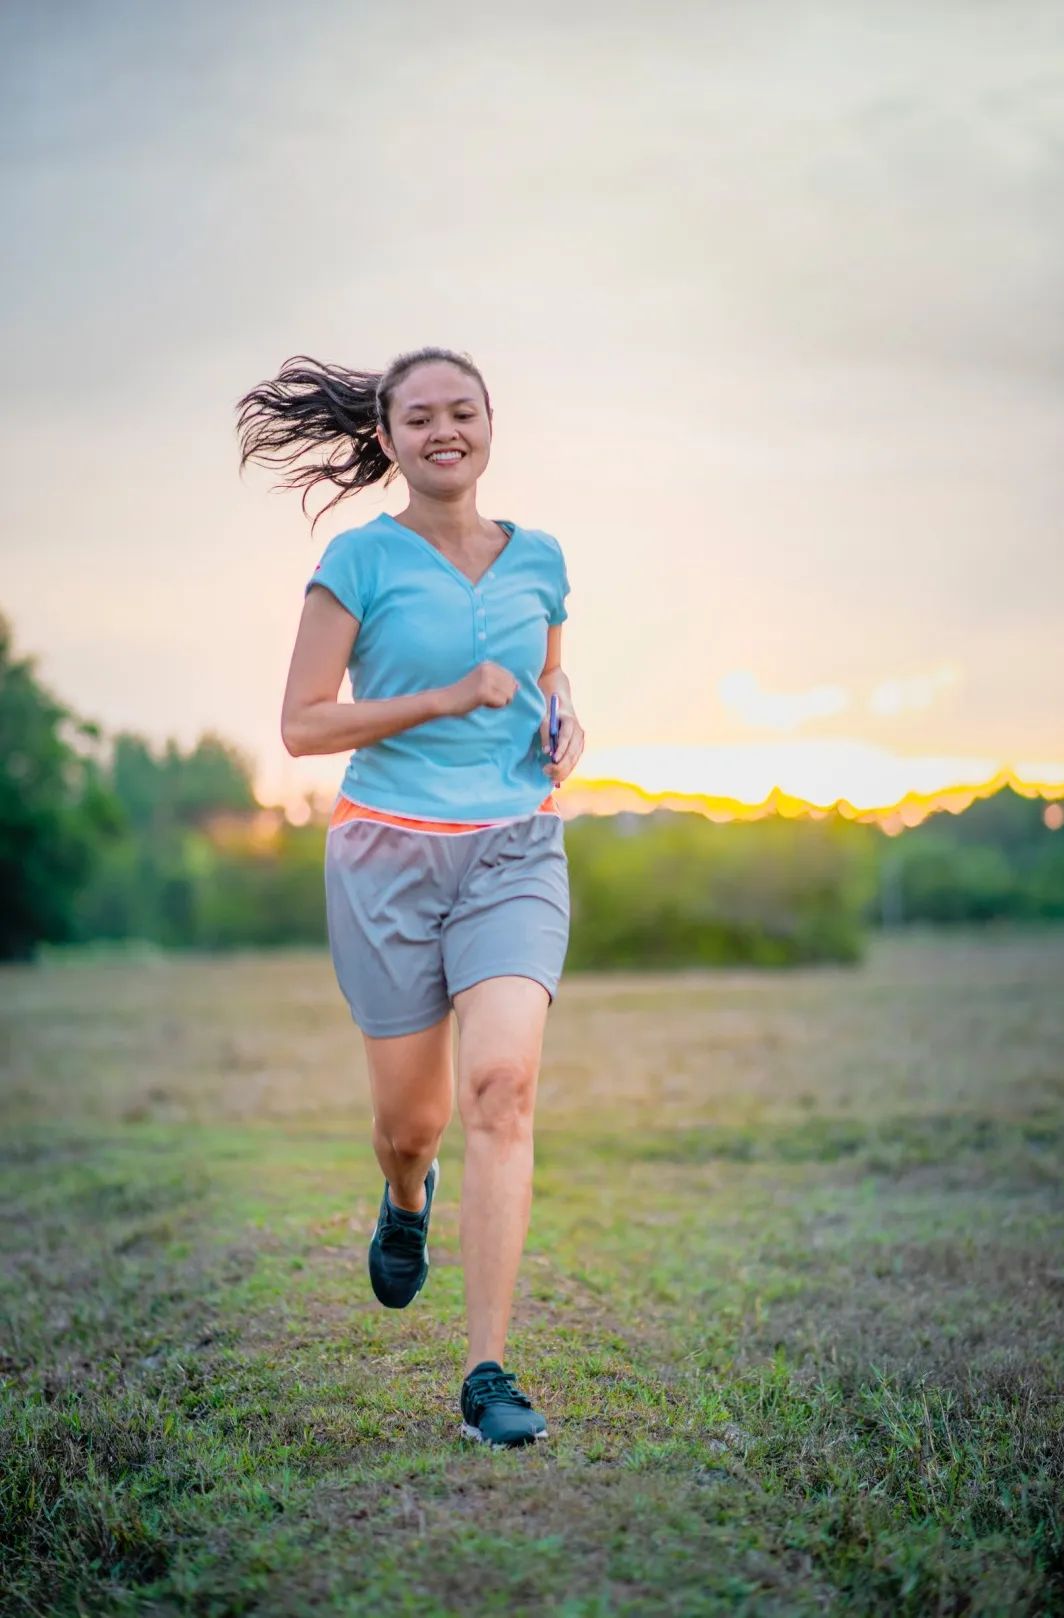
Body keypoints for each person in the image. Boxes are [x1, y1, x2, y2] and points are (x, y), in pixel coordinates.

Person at [235, 346, 584, 1448]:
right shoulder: (359, 562)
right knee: (411, 1123)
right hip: (388, 857)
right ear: (388, 438)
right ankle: (403, 1198)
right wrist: (440, 698)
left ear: (490, 426)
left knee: (500, 1087)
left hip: (515, 850)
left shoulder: (541, 558)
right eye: (421, 415)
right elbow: (301, 723)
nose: (447, 429)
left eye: (464, 411)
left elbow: (551, 664)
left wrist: (565, 707)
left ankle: (486, 1370)